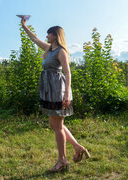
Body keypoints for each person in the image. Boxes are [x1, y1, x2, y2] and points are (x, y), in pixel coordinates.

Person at [21, 18, 90, 173]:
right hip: (49, 90)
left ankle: (62, 160)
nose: (46, 37)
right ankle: (78, 147)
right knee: (54, 125)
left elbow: (67, 72)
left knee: (57, 126)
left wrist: (67, 93)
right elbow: (34, 38)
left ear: (55, 35)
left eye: (49, 35)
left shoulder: (61, 51)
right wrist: (24, 26)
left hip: (59, 90)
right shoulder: (49, 49)